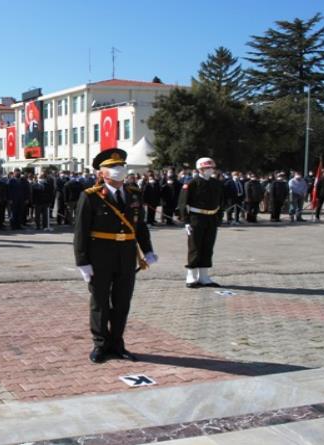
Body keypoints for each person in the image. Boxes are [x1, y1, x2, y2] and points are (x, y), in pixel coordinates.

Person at [74, 148, 158, 364]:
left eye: (120, 166)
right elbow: (81, 232)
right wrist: (82, 262)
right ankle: (100, 345)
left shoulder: (134, 194)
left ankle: (117, 343)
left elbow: (139, 226)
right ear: (102, 173)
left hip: (126, 256)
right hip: (100, 257)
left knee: (122, 302)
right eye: (112, 167)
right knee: (100, 302)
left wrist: (147, 250)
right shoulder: (90, 196)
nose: (118, 170)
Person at [178, 157, 224, 288]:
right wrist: (186, 221)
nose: (210, 170)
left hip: (211, 219)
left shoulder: (216, 183)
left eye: (211, 168)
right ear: (200, 169)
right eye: (207, 168)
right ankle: (191, 276)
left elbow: (221, 202)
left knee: (208, 247)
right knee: (195, 247)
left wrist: (218, 218)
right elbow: (183, 203)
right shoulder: (191, 183)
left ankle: (204, 276)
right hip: (196, 219)